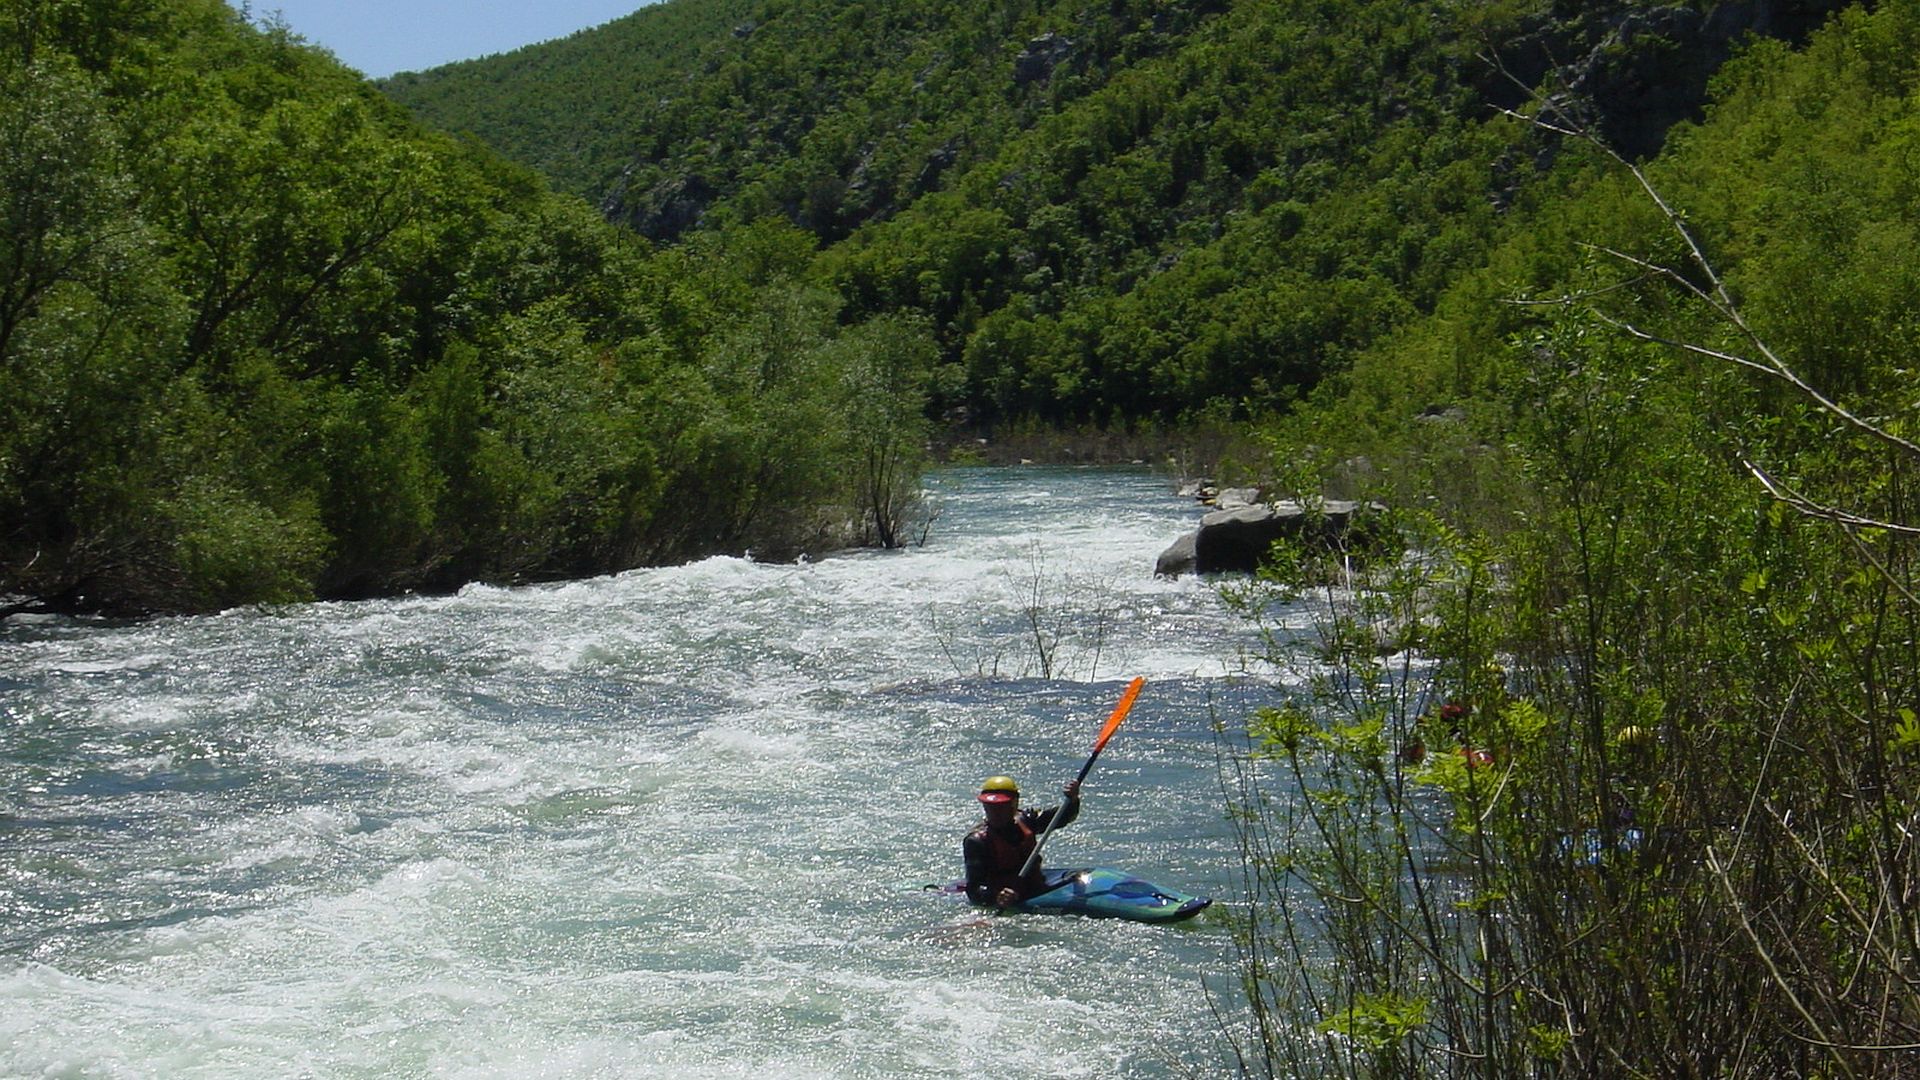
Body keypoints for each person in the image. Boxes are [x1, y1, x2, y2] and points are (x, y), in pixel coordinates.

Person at [962, 774, 1081, 908]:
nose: (995, 812)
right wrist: (996, 897)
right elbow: (974, 890)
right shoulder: (976, 841)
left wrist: (1073, 799)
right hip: (1008, 895)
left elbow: (1063, 816)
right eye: (990, 807)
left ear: (1014, 803)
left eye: (1001, 806)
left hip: (1035, 886)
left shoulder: (1027, 819)